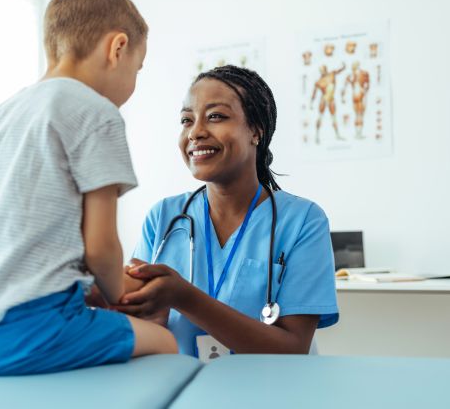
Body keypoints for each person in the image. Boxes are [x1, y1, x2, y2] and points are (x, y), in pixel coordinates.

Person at [0, 0, 177, 376]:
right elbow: (100, 247)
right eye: (138, 69)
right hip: (22, 326)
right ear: (118, 48)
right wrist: (119, 295)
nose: (134, 83)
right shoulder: (96, 113)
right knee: (164, 343)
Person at [115, 65, 338, 359]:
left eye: (216, 116)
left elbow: (292, 348)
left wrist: (185, 297)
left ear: (256, 131)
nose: (195, 132)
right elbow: (138, 318)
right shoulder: (164, 217)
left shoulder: (303, 221)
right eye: (186, 120)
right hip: (181, 389)